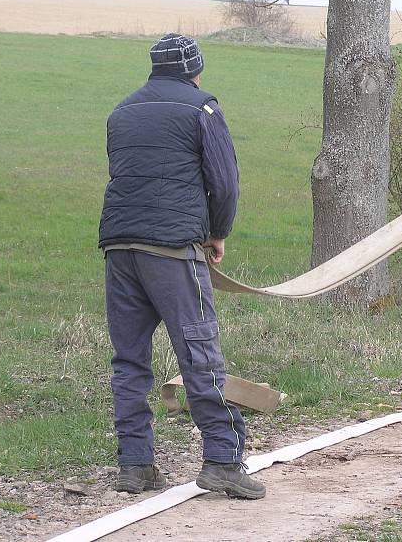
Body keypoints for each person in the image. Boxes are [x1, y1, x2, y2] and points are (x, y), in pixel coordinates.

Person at [98, 33, 265, 499]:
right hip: (173, 250)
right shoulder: (202, 109)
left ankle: (135, 466)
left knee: (129, 360)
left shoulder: (121, 111)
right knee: (198, 353)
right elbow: (225, 181)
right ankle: (223, 462)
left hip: (119, 246)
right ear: (196, 69)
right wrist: (218, 232)